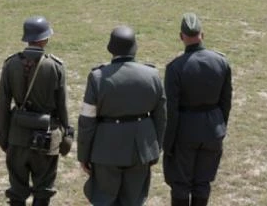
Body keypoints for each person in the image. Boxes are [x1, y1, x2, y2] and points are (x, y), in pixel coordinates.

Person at [77, 26, 166, 206]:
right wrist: (155, 149)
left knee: (104, 199)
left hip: (105, 150)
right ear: (135, 47)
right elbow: (161, 117)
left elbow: (87, 120)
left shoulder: (97, 78)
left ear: (111, 48)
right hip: (141, 149)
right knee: (134, 200)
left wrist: (83, 154)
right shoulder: (152, 75)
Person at [0, 16, 71, 206]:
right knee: (43, 189)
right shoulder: (55, 66)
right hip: (46, 135)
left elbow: (3, 104)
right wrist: (67, 134)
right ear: (45, 39)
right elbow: (62, 106)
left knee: (17, 190)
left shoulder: (10, 64)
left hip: (17, 135)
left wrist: (3, 136)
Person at [162, 14, 232, 206]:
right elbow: (226, 102)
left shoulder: (175, 68)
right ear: (203, 34)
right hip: (213, 129)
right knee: (203, 182)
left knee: (181, 184)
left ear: (181, 36)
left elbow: (172, 111)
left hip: (185, 131)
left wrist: (168, 144)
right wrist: (219, 127)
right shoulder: (221, 62)